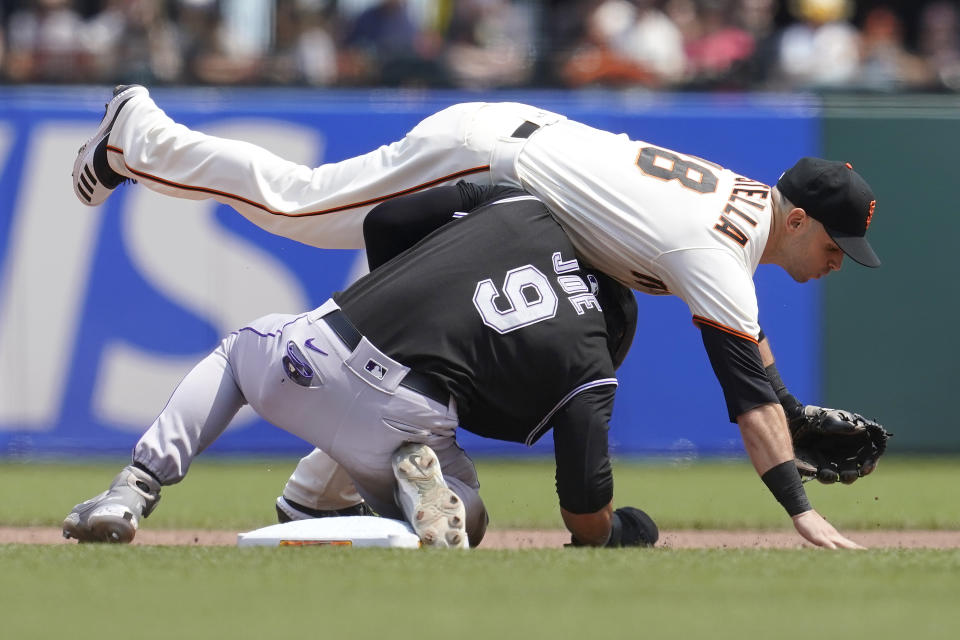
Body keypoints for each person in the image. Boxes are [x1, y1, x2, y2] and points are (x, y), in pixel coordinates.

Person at [73, 85, 883, 549]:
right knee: (303, 207)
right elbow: (742, 391)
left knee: (411, 321)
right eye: (838, 244)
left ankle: (319, 492)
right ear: (800, 219)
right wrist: (800, 511)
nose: (841, 260)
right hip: (489, 157)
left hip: (516, 144)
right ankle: (138, 135)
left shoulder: (746, 211)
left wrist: (790, 406)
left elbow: (747, 344)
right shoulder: (718, 250)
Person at [63, 182, 657, 549]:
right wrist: (616, 532)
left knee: (240, 353)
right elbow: (583, 508)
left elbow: (386, 221)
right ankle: (425, 491)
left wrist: (400, 292)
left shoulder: (523, 207)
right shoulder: (589, 355)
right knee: (465, 507)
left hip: (325, 348)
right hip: (410, 416)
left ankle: (133, 490)